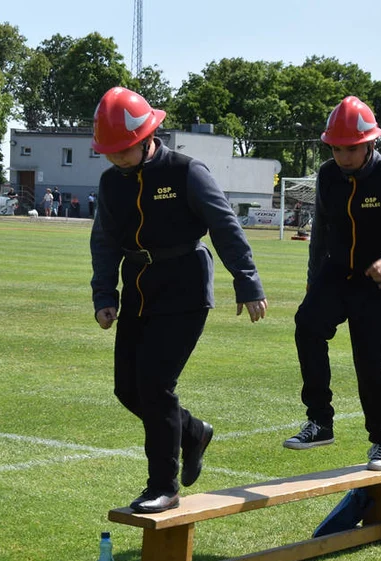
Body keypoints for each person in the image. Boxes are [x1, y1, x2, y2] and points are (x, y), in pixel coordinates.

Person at [89, 86, 268, 514]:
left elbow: (225, 226)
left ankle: (163, 487)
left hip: (185, 291)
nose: (116, 158)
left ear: (147, 136)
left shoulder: (187, 171)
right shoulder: (112, 182)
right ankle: (192, 431)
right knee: (127, 389)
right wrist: (104, 293)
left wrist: (247, 281)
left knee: (154, 385)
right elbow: (104, 240)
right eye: (110, 151)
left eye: (124, 150)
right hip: (138, 291)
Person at [283, 95, 381, 474]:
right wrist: (313, 283)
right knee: (307, 324)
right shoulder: (327, 176)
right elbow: (321, 233)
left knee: (370, 362)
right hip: (337, 273)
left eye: (351, 149)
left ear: (371, 143)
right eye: (336, 148)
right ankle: (320, 422)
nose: (342, 156)